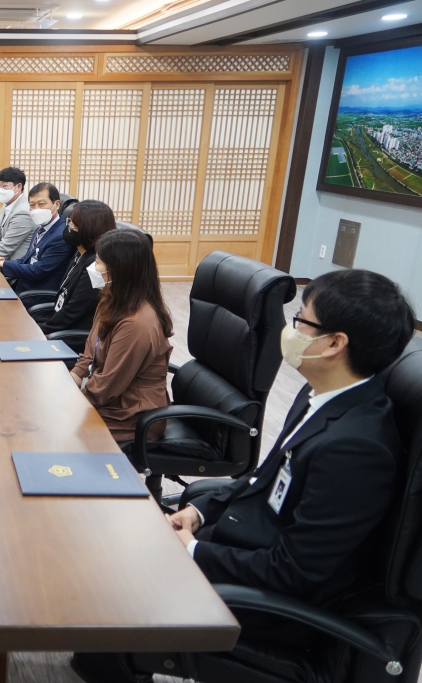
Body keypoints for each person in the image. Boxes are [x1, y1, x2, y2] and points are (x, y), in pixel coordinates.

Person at [70, 269, 416, 683]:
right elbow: (262, 481)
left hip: (272, 604)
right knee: (110, 545)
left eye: (301, 321)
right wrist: (199, 512)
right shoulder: (321, 396)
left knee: (119, 569)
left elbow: (296, 574)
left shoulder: (355, 449)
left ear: (334, 344)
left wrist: (195, 551)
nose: (291, 331)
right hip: (244, 551)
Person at [69, 229, 173, 443]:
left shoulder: (136, 324)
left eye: (97, 262)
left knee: (52, 431)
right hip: (110, 400)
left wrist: (67, 404)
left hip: (130, 414)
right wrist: (74, 377)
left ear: (120, 270)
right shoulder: (110, 298)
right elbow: (91, 349)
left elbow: (107, 386)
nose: (92, 268)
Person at [37, 200, 116, 336]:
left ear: (89, 228)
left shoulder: (95, 266)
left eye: (73, 224)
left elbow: (73, 312)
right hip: (57, 319)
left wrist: (39, 329)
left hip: (70, 333)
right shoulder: (79, 252)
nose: (68, 227)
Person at [0, 182, 73, 294]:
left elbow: (38, 271)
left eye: (41, 204)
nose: (36, 209)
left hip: (37, 294)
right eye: (32, 205)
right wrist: (4, 261)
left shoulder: (61, 236)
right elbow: (28, 258)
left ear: (57, 204)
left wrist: (5, 265)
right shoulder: (40, 228)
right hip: (24, 284)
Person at [0, 166, 34, 261]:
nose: (0, 190)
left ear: (18, 187)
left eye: (5, 186)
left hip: (12, 267)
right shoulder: (7, 205)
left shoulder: (23, 212)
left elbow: (7, 246)